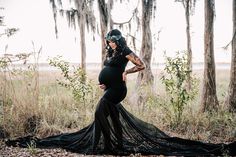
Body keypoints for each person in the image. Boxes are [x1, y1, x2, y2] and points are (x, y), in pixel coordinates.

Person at [5, 29, 236, 156]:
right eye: (108, 41)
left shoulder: (125, 50)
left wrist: (128, 73)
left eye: (111, 40)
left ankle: (110, 146)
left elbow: (142, 64)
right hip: (110, 87)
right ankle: (118, 144)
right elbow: (110, 69)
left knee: (99, 113)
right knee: (113, 115)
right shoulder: (113, 52)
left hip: (119, 90)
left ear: (117, 41)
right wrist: (103, 82)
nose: (110, 43)